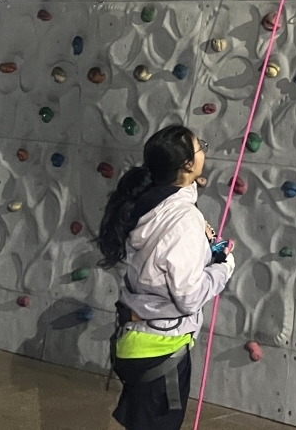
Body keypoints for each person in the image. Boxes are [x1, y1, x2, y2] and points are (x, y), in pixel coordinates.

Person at [97, 125, 234, 430]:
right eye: (200, 148)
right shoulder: (183, 219)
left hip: (136, 342)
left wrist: (209, 249)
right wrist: (224, 268)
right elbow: (188, 297)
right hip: (161, 350)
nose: (204, 152)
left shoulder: (149, 203)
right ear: (187, 164)